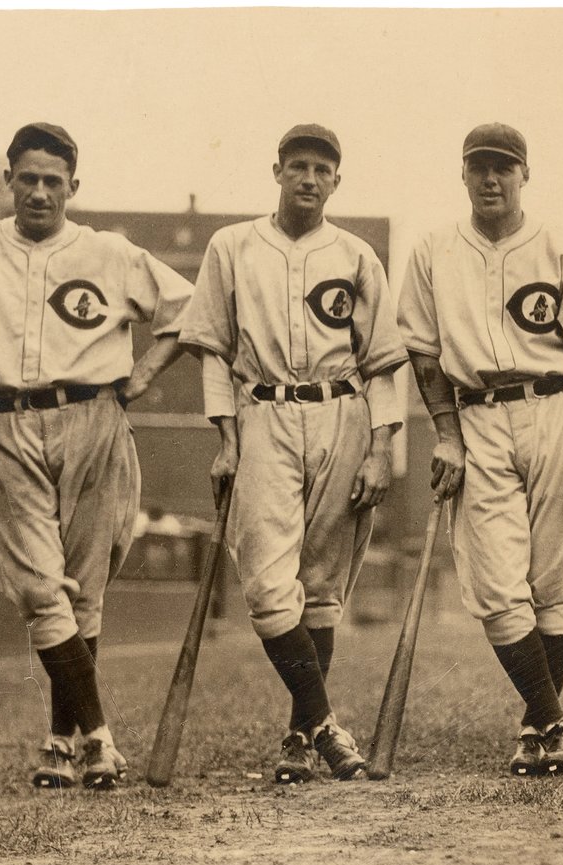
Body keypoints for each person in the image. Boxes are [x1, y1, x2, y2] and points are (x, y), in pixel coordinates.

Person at [0, 123, 193, 789]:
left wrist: (147, 373)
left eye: (53, 181)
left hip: (95, 418)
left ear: (73, 186)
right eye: (27, 179)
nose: (40, 192)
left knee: (83, 593)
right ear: (8, 180)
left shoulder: (109, 251)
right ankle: (99, 737)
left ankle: (60, 743)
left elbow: (191, 309)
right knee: (42, 590)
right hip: (7, 425)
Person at [398, 123, 563, 776]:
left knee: (553, 584)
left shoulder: (559, 246)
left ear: (524, 174)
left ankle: (536, 729)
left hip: (556, 406)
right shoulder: (433, 250)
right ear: (464, 174)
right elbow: (421, 348)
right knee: (498, 590)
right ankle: (555, 719)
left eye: (504, 167)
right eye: (480, 167)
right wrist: (443, 431)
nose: (491, 178)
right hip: (476, 417)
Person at [178, 125, 407, 783]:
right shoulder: (232, 246)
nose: (310, 178)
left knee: (323, 588)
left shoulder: (359, 255)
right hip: (265, 413)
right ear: (276, 170)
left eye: (323, 169)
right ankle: (327, 723)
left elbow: (384, 362)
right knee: (269, 590)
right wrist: (225, 437)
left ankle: (299, 737)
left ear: (338, 180)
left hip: (344, 413)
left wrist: (382, 447)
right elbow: (214, 350)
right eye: (299, 166)